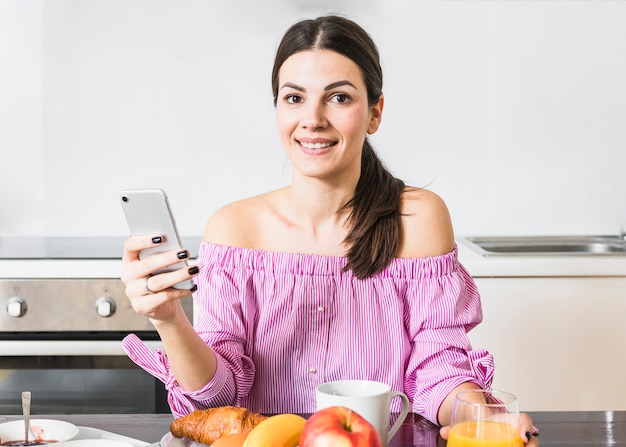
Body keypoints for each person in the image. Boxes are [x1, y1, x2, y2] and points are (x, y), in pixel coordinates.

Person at [121, 14, 538, 444]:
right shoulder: (234, 230)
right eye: (294, 98)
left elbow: (439, 366)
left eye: (338, 98)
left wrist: (483, 419)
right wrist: (169, 320)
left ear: (375, 113)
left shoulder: (418, 218)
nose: (313, 119)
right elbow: (217, 404)